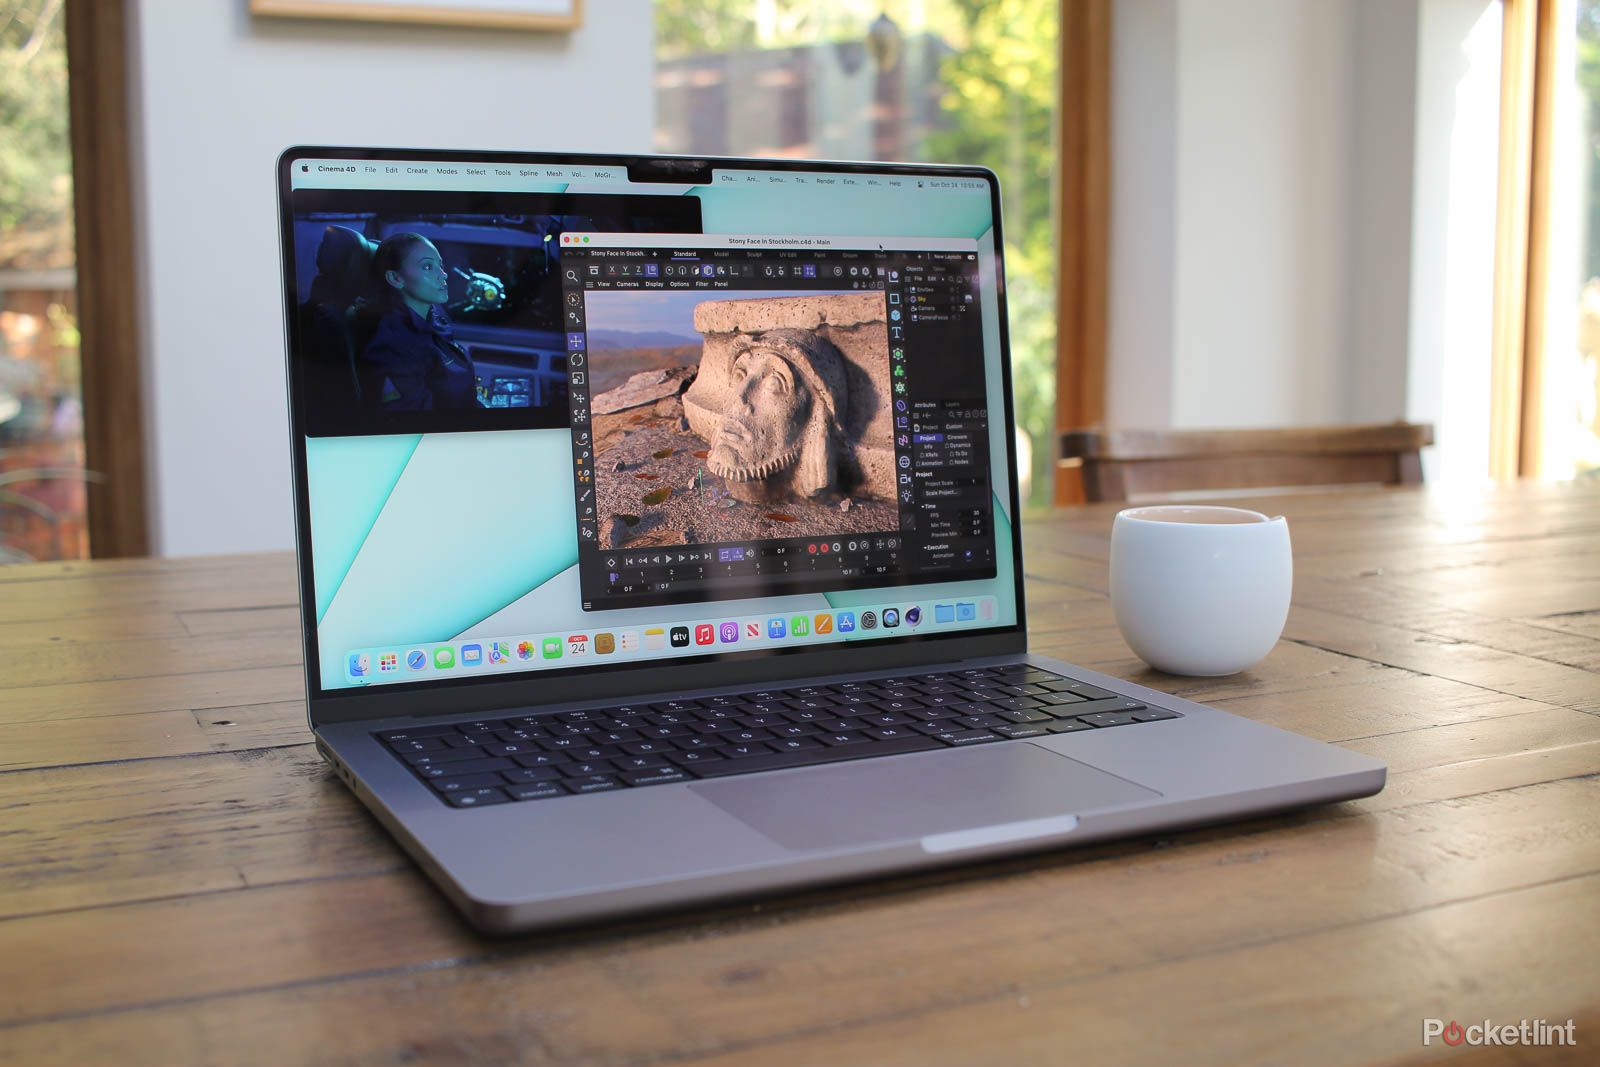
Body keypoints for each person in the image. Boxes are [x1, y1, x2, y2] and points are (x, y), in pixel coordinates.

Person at [358, 233, 480, 412]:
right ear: (395, 279)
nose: (443, 275)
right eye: (428, 266)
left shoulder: (434, 312)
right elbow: (417, 423)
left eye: (441, 265)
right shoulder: (392, 348)